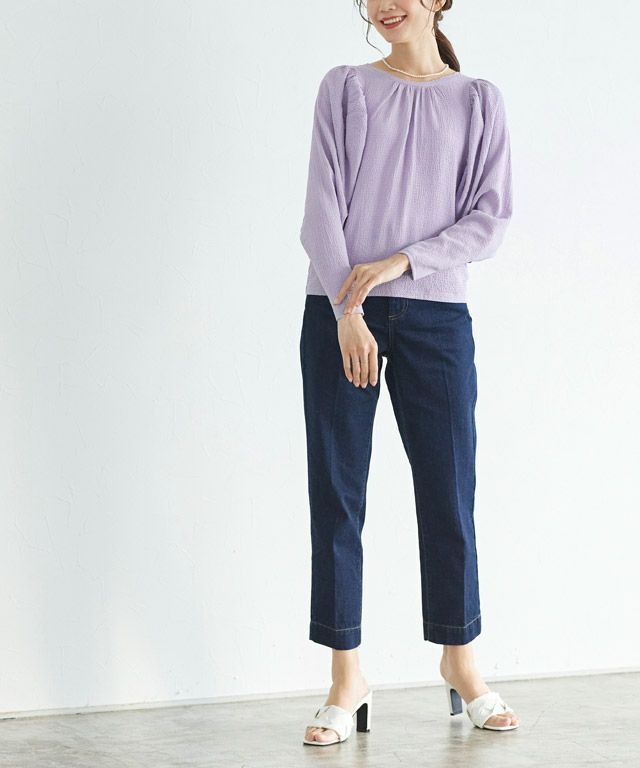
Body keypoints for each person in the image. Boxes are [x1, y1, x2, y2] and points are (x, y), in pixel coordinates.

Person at [299, 0, 519, 746]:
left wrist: (402, 261)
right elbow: (321, 209)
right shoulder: (346, 87)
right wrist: (347, 308)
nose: (383, 3)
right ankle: (346, 677)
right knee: (337, 493)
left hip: (435, 316)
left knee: (449, 492)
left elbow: (490, 218)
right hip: (340, 313)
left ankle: (461, 661)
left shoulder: (477, 101)